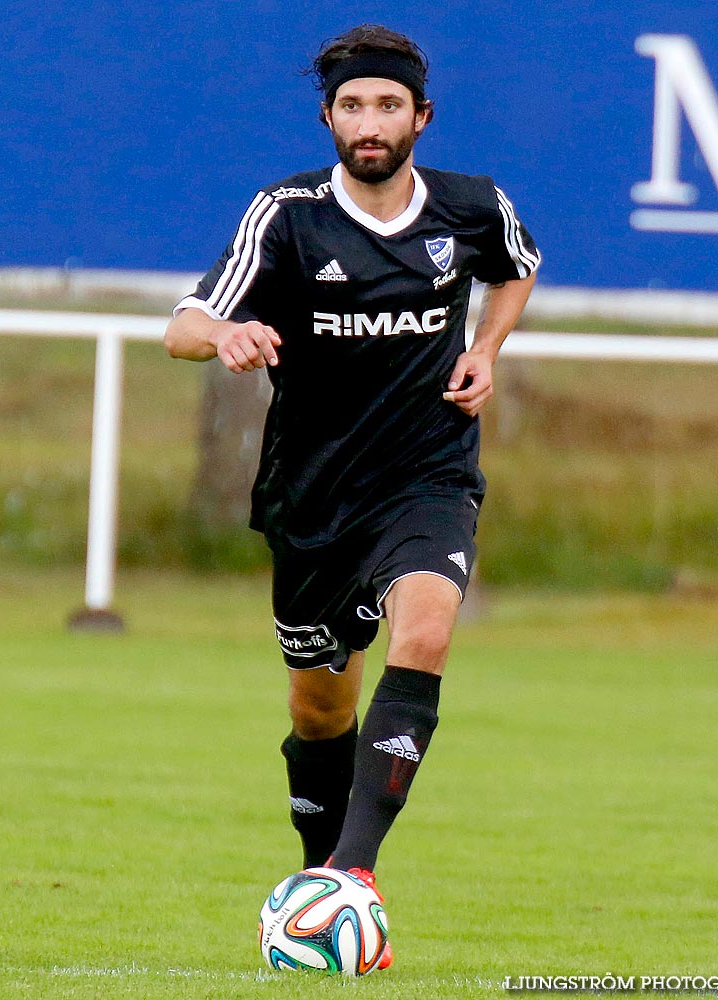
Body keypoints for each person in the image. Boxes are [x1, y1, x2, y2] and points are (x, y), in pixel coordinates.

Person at [164, 23, 540, 967]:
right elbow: (183, 323)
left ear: (421, 116)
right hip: (312, 497)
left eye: (386, 105)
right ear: (327, 116)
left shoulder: (470, 207)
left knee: (424, 631)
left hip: (427, 477)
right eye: (351, 106)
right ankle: (316, 881)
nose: (368, 123)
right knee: (318, 713)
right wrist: (227, 337)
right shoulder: (286, 214)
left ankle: (356, 876)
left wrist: (485, 349)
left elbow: (517, 266)